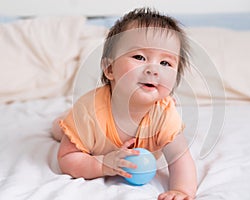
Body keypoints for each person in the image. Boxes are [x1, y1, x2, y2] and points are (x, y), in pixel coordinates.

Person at [52, 7, 197, 200]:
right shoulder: (88, 111)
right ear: (110, 69)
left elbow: (180, 158)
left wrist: (182, 191)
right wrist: (103, 164)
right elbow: (66, 158)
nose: (153, 69)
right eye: (139, 57)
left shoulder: (164, 114)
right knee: (60, 130)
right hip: (89, 131)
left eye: (165, 63)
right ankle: (60, 121)